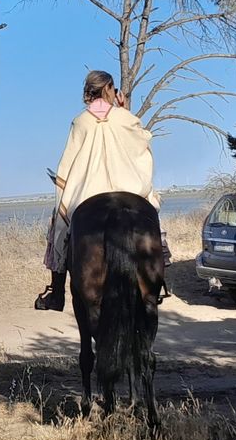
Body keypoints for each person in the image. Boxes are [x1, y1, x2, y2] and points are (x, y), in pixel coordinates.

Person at [34, 70, 162, 311]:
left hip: (88, 193)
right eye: (113, 90)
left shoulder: (80, 121)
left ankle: (57, 291)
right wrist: (125, 111)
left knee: (59, 225)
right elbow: (142, 142)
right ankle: (161, 265)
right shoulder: (124, 117)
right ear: (109, 89)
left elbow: (69, 163)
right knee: (150, 211)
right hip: (128, 189)